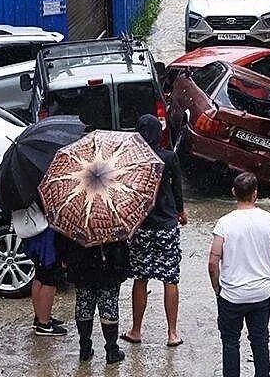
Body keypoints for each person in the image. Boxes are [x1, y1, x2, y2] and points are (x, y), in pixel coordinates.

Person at [205, 172, 270, 377]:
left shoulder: (225, 223)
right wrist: (268, 278)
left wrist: (217, 289)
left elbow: (213, 261)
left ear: (233, 193)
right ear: (256, 194)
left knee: (231, 339)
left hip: (232, 294)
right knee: (260, 337)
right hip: (261, 292)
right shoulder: (269, 220)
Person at [123, 115, 187, 347]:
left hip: (141, 228)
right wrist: (180, 212)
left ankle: (136, 330)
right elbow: (177, 188)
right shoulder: (168, 158)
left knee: (140, 278)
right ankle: (172, 333)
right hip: (166, 226)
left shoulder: (133, 161)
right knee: (170, 278)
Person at [55, 233, 132, 363]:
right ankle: (112, 350)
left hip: (81, 262)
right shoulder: (112, 215)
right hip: (109, 262)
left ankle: (85, 348)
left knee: (84, 303)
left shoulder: (75, 216)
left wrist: (65, 258)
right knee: (109, 304)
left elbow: (62, 240)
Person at [20, 225, 67, 336]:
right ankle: (44, 324)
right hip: (47, 236)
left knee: (40, 274)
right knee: (50, 277)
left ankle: (40, 316)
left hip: (37, 231)